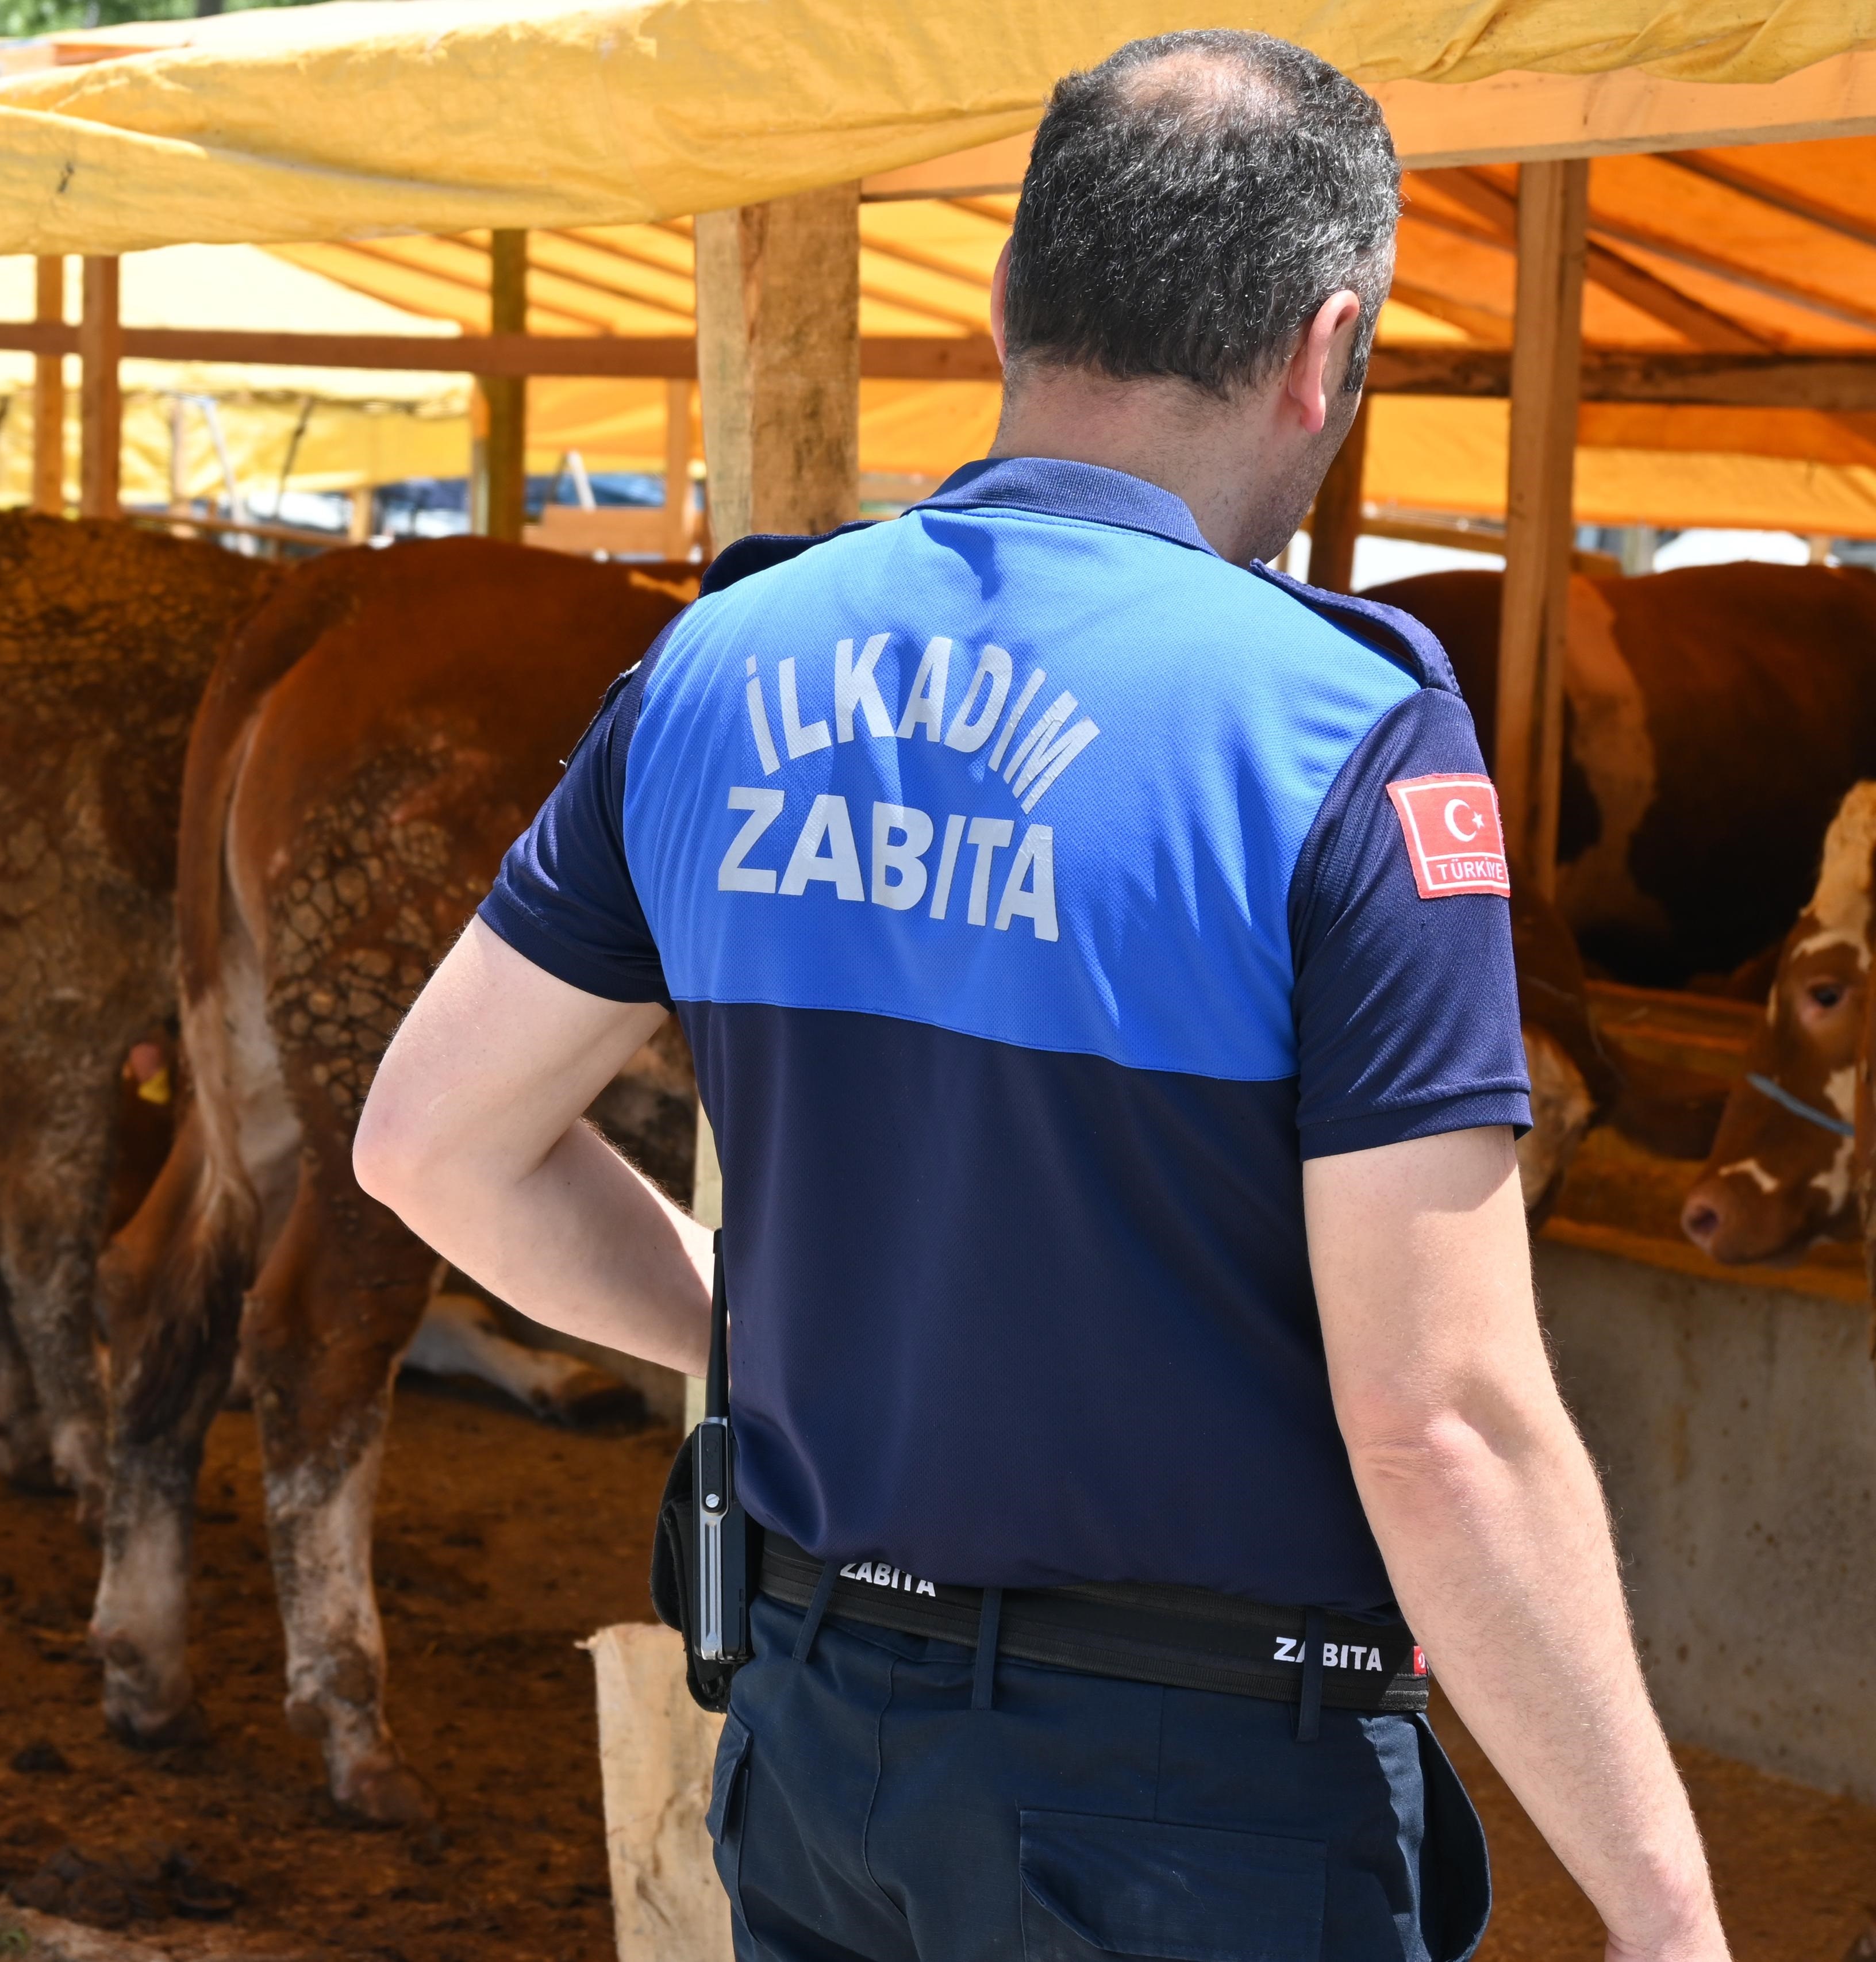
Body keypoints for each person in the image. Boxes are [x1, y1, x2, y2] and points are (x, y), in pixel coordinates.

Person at [353, 29, 1727, 1962]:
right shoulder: (1342, 737)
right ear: (1327, 349)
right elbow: (1443, 1428)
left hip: (824, 1761)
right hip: (1199, 1809)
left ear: (1008, 300)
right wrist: (1671, 1919)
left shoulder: (719, 666)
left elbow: (429, 1144)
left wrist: (739, 1334)